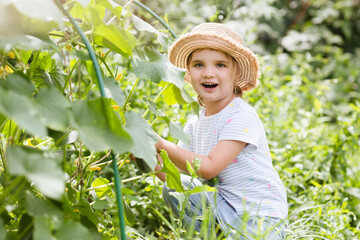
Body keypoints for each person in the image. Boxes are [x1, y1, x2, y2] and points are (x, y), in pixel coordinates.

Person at [153, 23, 288, 239]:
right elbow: (175, 177)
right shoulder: (194, 122)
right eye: (198, 65)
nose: (208, 73)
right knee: (175, 189)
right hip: (224, 210)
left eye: (220, 65)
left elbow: (208, 169)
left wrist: (161, 144)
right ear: (188, 71)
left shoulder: (241, 115)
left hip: (258, 221)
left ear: (236, 73)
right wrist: (147, 155)